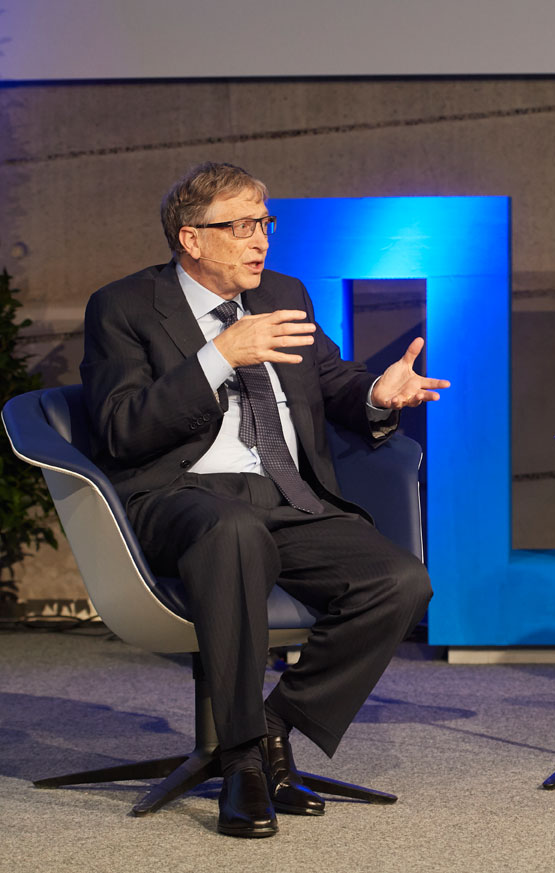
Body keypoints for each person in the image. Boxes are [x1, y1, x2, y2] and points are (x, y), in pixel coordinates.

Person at [80, 162, 445, 837]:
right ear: (191, 239)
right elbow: (120, 428)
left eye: (264, 224)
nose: (260, 241)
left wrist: (376, 394)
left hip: (285, 493)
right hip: (180, 494)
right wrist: (218, 354)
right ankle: (244, 762)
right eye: (241, 226)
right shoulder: (125, 307)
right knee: (234, 531)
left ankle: (271, 725)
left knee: (400, 581)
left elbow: (331, 380)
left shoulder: (284, 292)